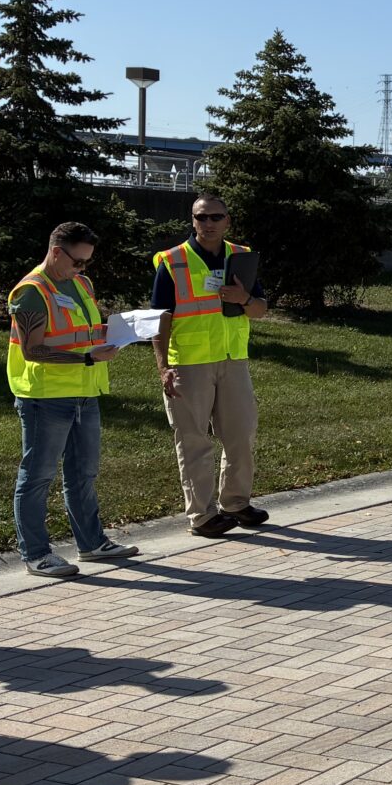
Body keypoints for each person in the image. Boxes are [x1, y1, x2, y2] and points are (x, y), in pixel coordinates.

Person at [7, 222, 136, 578]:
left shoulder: (81, 284)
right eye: (78, 261)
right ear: (56, 252)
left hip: (85, 393)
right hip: (46, 397)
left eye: (87, 263)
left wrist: (125, 331)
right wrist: (87, 358)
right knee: (37, 476)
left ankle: (91, 543)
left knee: (83, 472)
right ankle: (36, 554)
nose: (83, 269)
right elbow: (33, 351)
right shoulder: (31, 291)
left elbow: (85, 331)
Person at [152, 193, 270, 538]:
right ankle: (202, 516)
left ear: (227, 221)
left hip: (233, 360)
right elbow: (159, 320)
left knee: (241, 435)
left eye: (215, 217)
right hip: (189, 362)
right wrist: (163, 367)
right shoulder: (172, 261)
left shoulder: (242, 257)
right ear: (192, 220)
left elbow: (260, 309)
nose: (208, 224)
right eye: (201, 217)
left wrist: (244, 299)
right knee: (193, 440)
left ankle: (236, 503)